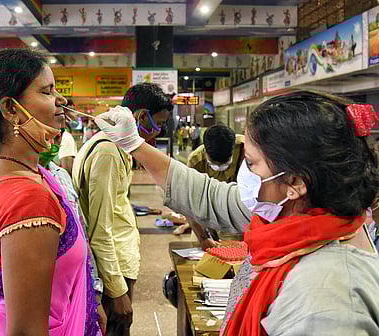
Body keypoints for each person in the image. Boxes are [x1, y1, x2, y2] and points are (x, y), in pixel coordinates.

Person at [95, 91, 379, 335]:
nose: (244, 174)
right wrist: (134, 144)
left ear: (295, 182)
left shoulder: (329, 297)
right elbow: (210, 196)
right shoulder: (294, 219)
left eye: (253, 164)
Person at [0, 48, 100, 336]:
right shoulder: (28, 200)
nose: (61, 102)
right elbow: (26, 330)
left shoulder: (0, 171)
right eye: (47, 91)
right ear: (11, 109)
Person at [73, 82, 172, 336]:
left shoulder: (115, 146)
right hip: (111, 273)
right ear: (141, 117)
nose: (158, 132)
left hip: (116, 266)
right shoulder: (108, 151)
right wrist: (117, 291)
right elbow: (100, 228)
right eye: (158, 123)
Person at [39, 143, 107, 335]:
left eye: (61, 119)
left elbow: (81, 237)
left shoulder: (60, 176)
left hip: (73, 300)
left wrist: (94, 295)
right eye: (52, 119)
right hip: (43, 309)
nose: (57, 130)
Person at [173, 123, 245, 248]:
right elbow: (187, 204)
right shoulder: (196, 161)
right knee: (201, 248)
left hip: (236, 211)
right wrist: (202, 238)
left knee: (233, 249)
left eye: (226, 163)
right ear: (205, 150)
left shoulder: (247, 150)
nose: (219, 168)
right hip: (207, 211)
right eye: (213, 163)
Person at [55, 100, 78, 176]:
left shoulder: (60, 134)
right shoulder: (66, 137)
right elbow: (67, 170)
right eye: (73, 110)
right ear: (64, 113)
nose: (77, 114)